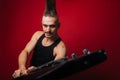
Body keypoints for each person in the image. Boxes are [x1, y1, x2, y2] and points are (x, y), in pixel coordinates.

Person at [12, 0, 67, 78]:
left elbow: (53, 72)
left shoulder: (61, 48)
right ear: (41, 23)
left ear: (58, 25)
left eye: (52, 26)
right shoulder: (37, 35)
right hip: (28, 75)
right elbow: (25, 51)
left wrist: (38, 70)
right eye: (45, 25)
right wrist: (22, 68)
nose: (48, 30)